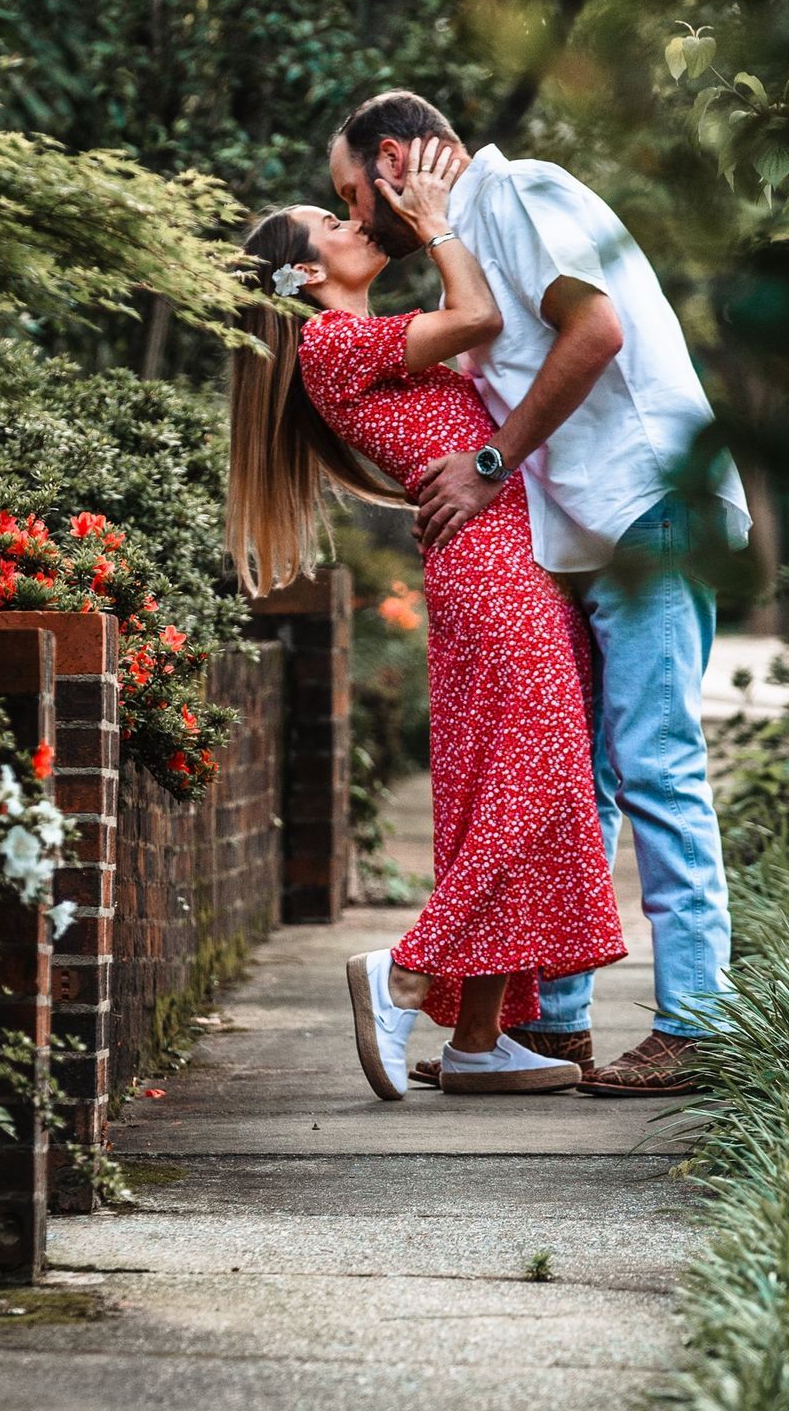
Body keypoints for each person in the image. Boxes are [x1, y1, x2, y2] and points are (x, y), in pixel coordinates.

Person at [327, 90, 750, 1095]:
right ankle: (556, 1023)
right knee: (591, 777)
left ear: (394, 160)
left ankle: (698, 1024)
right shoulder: (467, 237)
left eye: (350, 191)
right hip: (592, 528)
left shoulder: (518, 193)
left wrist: (487, 461)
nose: (352, 213)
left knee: (653, 760)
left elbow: (595, 330)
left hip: (651, 506)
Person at [226, 140, 626, 1097]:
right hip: (489, 572)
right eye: (334, 224)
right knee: (533, 782)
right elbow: (481, 312)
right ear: (304, 274)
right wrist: (440, 221)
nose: (357, 222)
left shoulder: (355, 344)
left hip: (488, 567)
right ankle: (405, 971)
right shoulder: (334, 343)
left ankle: (480, 1039)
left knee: (503, 786)